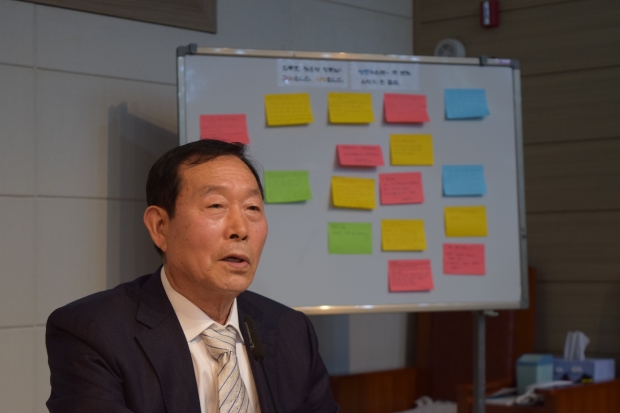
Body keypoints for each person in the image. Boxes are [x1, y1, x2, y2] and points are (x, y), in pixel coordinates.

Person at [45, 140, 339, 413]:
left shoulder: (291, 332)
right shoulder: (94, 333)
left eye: (252, 208)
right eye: (216, 206)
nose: (240, 229)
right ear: (160, 227)